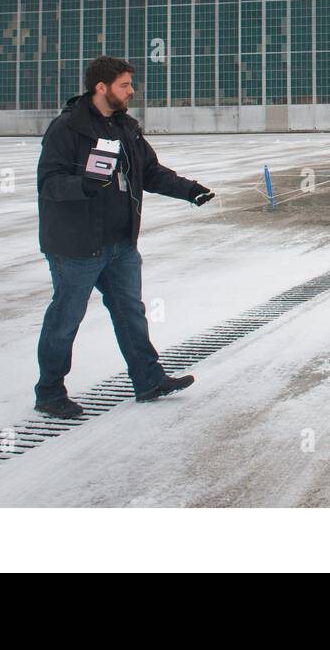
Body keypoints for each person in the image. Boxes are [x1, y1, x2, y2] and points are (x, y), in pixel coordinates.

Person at [33, 55, 216, 417]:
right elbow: (48, 183)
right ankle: (49, 392)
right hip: (77, 246)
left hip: (120, 244)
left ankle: (149, 380)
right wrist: (83, 184)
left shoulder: (125, 127)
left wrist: (189, 190)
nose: (131, 91)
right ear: (101, 87)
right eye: (125, 85)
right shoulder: (68, 128)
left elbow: (150, 172)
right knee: (65, 319)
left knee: (131, 313)